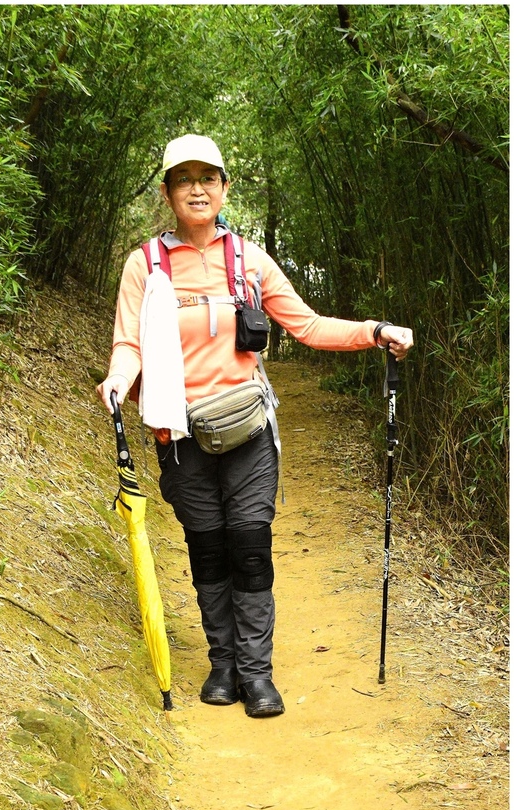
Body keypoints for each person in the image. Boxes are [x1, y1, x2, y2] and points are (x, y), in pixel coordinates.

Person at [97, 134, 413, 719]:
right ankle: (222, 663)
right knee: (207, 548)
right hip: (179, 433)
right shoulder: (145, 265)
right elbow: (128, 344)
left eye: (208, 177)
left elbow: (310, 326)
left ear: (224, 188)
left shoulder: (249, 260)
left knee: (249, 546)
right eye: (184, 178)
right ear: (167, 192)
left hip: (247, 429)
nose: (197, 187)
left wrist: (375, 331)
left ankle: (256, 670)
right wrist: (118, 380)